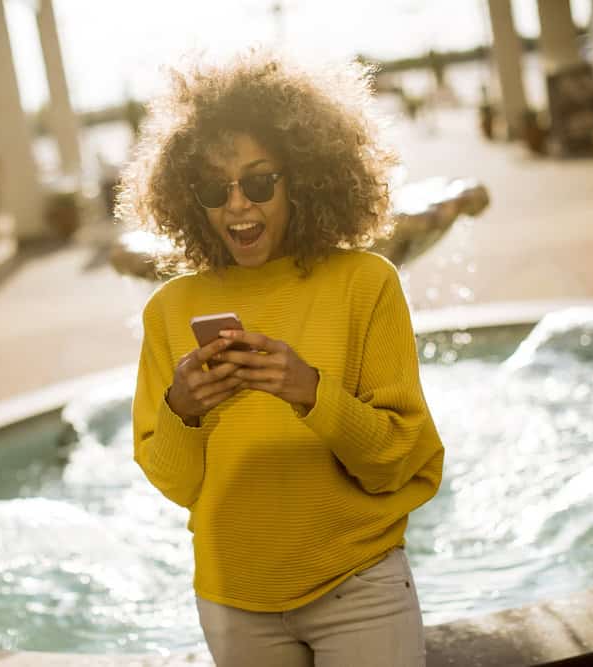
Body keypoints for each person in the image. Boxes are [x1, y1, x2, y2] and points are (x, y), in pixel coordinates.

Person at [116, 49, 445, 667]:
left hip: (361, 589)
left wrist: (311, 392)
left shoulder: (366, 283)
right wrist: (182, 410)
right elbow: (178, 484)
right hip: (233, 604)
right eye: (215, 187)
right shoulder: (168, 310)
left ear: (302, 177)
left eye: (259, 181)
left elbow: (397, 460)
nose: (238, 204)